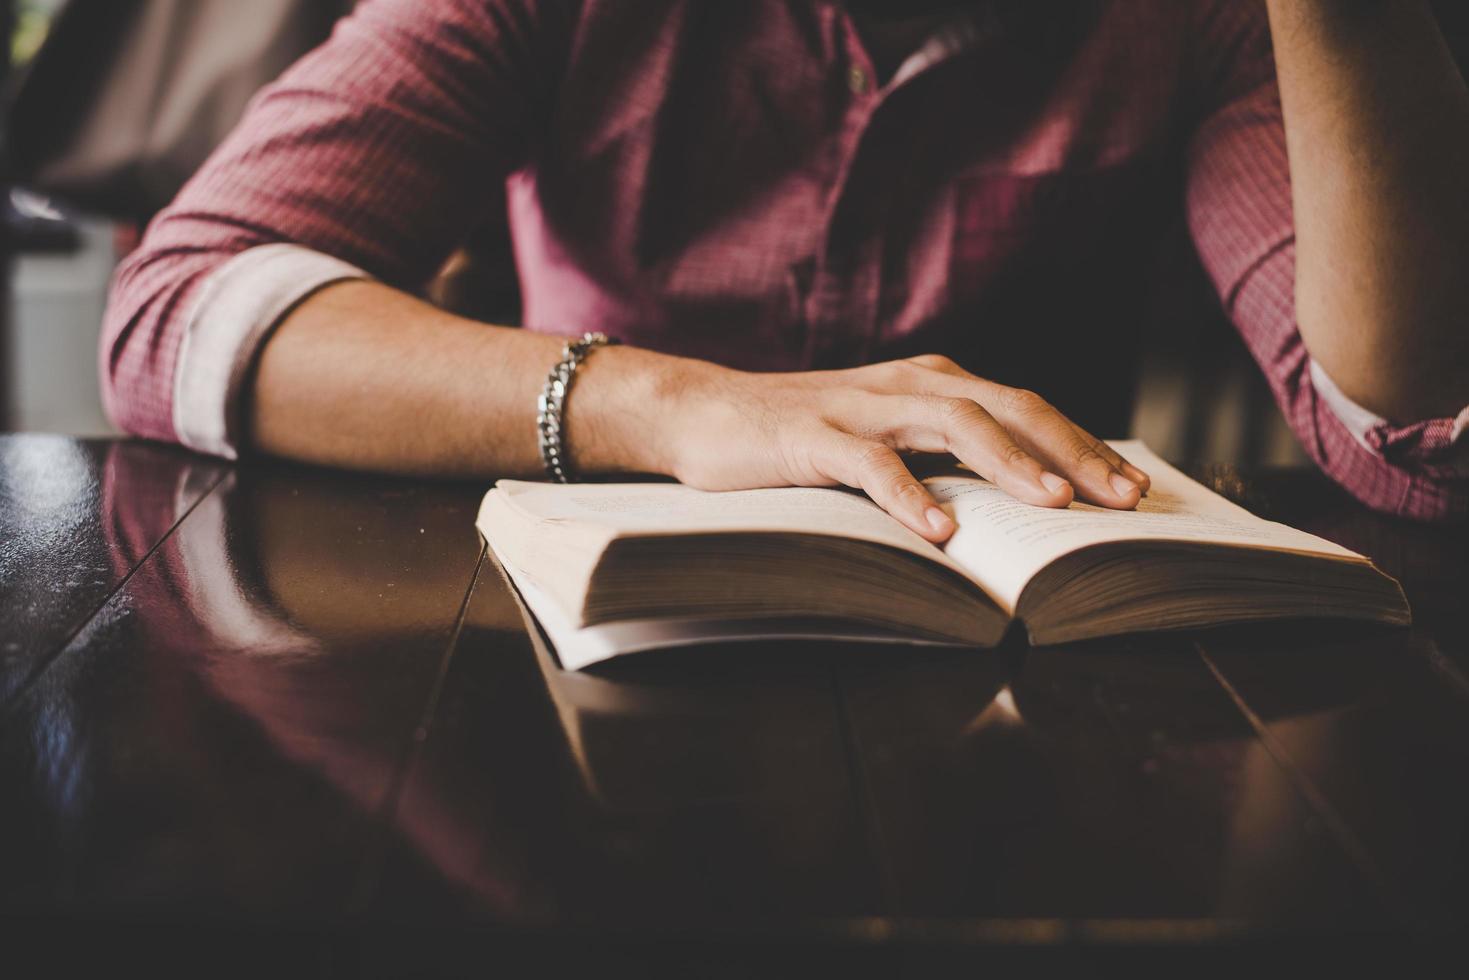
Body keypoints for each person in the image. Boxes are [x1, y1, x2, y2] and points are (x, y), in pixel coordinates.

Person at [101, 0, 1469, 543]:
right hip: (572, 658)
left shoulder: (1203, 18)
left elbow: (1409, 444)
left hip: (1025, 687)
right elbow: (181, 310)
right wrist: (673, 405)